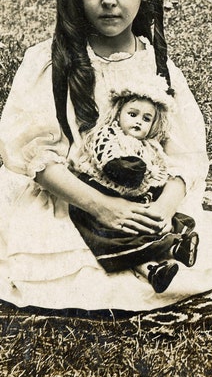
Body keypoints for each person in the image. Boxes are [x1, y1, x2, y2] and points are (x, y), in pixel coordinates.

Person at [0, 0, 212, 311]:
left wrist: (164, 208)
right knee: (65, 265)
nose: (109, 0)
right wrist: (103, 206)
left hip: (145, 197)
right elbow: (34, 157)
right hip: (73, 196)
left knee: (196, 242)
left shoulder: (157, 65)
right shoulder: (48, 63)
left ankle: (152, 250)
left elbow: (185, 154)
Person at [70, 78, 200, 293]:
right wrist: (125, 168)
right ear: (118, 113)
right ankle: (160, 260)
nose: (138, 121)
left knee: (152, 222)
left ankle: (170, 254)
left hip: (137, 196)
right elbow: (107, 159)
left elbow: (161, 168)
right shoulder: (109, 135)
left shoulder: (149, 145)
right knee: (120, 235)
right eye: (132, 114)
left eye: (146, 118)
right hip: (107, 191)